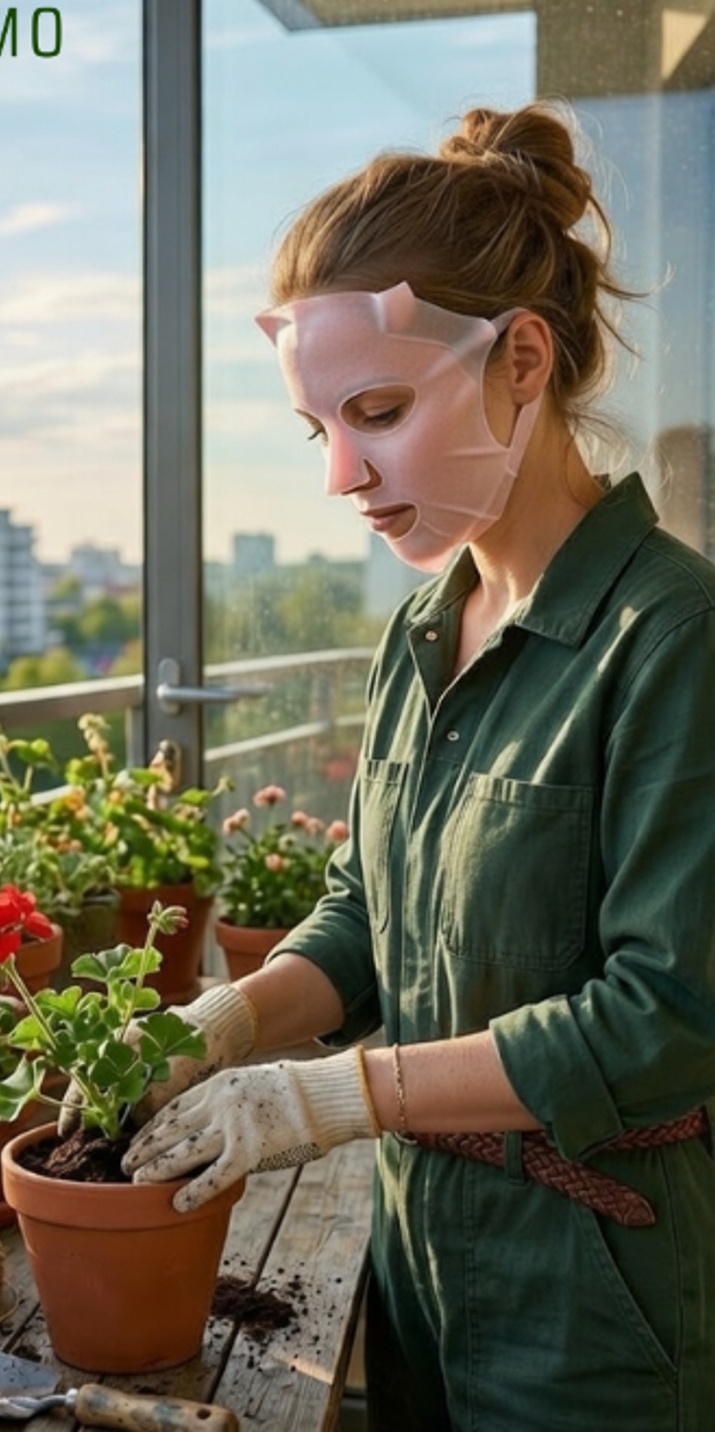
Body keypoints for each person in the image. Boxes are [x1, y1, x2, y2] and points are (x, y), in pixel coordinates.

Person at [121, 103, 715, 1431]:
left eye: (377, 412)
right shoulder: (426, 627)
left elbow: (669, 1017)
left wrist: (337, 1091)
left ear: (521, 357)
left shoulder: (672, 637)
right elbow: (368, 917)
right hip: (418, 1266)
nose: (342, 473)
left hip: (591, 1302)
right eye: (317, 427)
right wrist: (215, 1029)